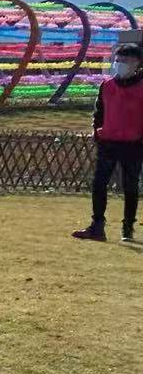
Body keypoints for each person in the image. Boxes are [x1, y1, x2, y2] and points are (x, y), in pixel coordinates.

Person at [73, 42, 143, 244]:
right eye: (118, 60)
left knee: (130, 186)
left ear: (137, 63)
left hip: (134, 144)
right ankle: (97, 226)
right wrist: (97, 133)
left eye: (125, 60)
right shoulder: (107, 85)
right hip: (108, 142)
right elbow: (99, 113)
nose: (120, 64)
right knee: (99, 184)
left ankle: (127, 227)